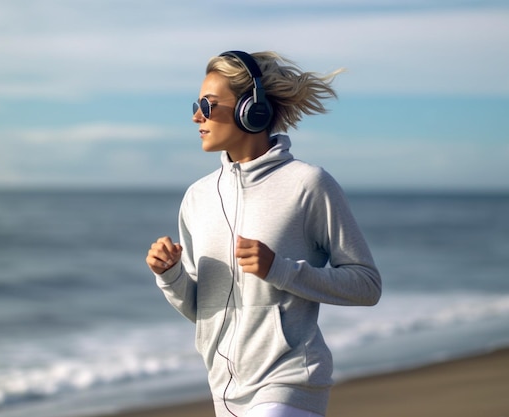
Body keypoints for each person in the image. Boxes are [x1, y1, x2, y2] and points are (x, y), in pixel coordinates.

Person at [146, 50, 381, 417]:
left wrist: (280, 270)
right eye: (197, 105)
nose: (196, 116)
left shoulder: (307, 184)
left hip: (290, 382)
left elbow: (367, 285)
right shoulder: (197, 198)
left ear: (251, 109)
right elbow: (202, 310)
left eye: (208, 106)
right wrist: (170, 274)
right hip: (224, 390)